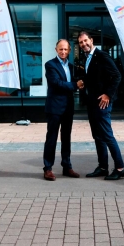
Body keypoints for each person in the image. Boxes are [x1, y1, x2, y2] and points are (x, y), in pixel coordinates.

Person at [76, 31, 124, 180]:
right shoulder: (86, 58)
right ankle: (103, 167)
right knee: (97, 136)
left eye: (86, 41)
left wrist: (108, 95)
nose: (84, 44)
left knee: (107, 135)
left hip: (102, 103)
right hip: (92, 103)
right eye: (81, 42)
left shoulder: (102, 55)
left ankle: (120, 168)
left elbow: (117, 76)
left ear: (91, 40)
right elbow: (94, 77)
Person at [42, 39, 80, 181]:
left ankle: (66, 166)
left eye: (65, 49)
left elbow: (76, 81)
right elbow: (56, 83)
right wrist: (76, 85)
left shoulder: (71, 66)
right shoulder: (50, 65)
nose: (63, 52)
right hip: (55, 108)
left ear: (69, 50)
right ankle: (47, 168)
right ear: (56, 50)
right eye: (60, 49)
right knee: (51, 138)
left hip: (68, 108)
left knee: (66, 138)